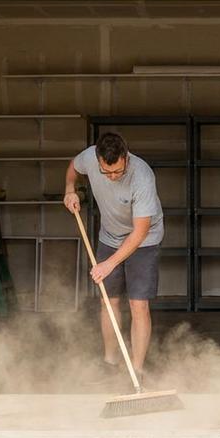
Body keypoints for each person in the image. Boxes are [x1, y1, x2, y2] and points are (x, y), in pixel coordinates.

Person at [64, 132, 164, 377]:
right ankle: (109, 362)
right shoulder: (90, 158)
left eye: (118, 171)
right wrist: (69, 189)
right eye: (106, 172)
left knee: (138, 304)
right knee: (109, 301)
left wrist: (108, 264)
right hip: (110, 236)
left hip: (144, 240)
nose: (112, 177)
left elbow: (139, 232)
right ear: (98, 160)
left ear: (126, 158)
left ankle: (136, 370)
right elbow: (73, 167)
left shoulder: (142, 176)